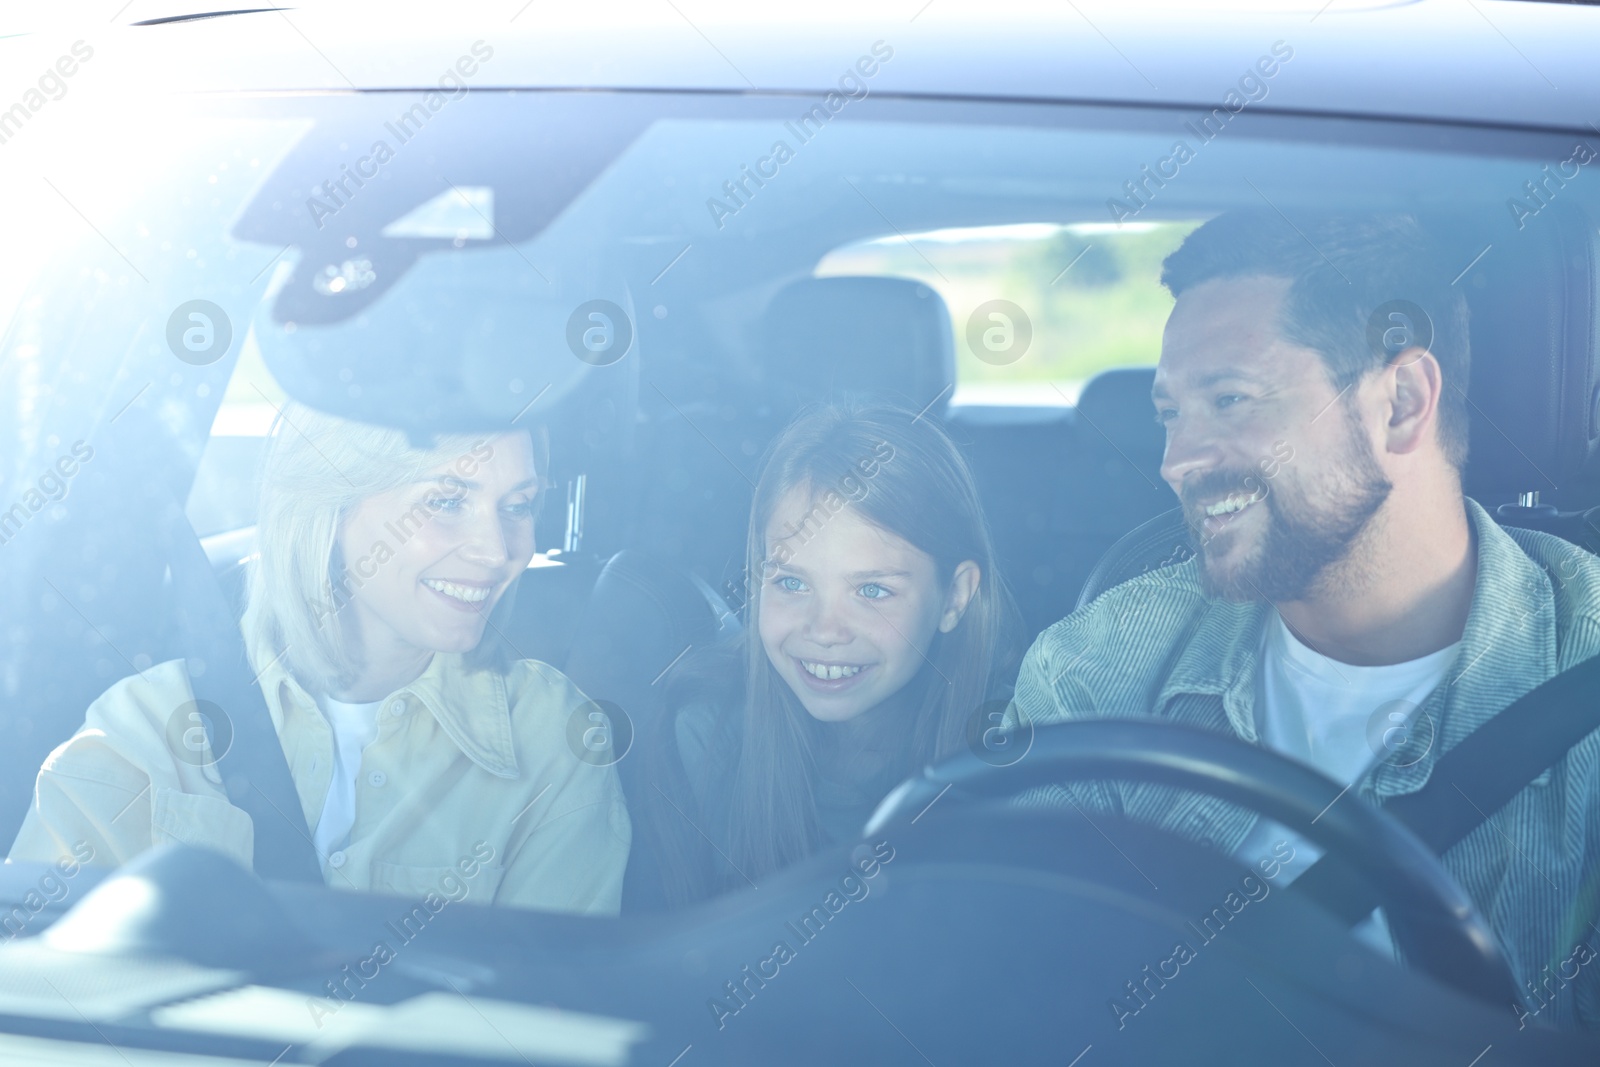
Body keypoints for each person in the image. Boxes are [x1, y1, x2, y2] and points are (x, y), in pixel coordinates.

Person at [1010, 211, 1600, 1026]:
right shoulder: (1094, 672)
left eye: (1230, 399)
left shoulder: (1583, 684)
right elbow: (1014, 994)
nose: (1175, 460)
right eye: (1171, 412)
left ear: (1399, 402)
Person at [10, 404, 630, 914]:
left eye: (518, 505)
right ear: (330, 506)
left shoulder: (555, 742)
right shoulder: (141, 733)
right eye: (446, 501)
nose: (499, 550)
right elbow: (41, 1012)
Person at [659, 403, 1016, 900]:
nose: (824, 630)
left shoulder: (1012, 755)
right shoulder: (707, 732)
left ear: (954, 596)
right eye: (789, 582)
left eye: (872, 591)